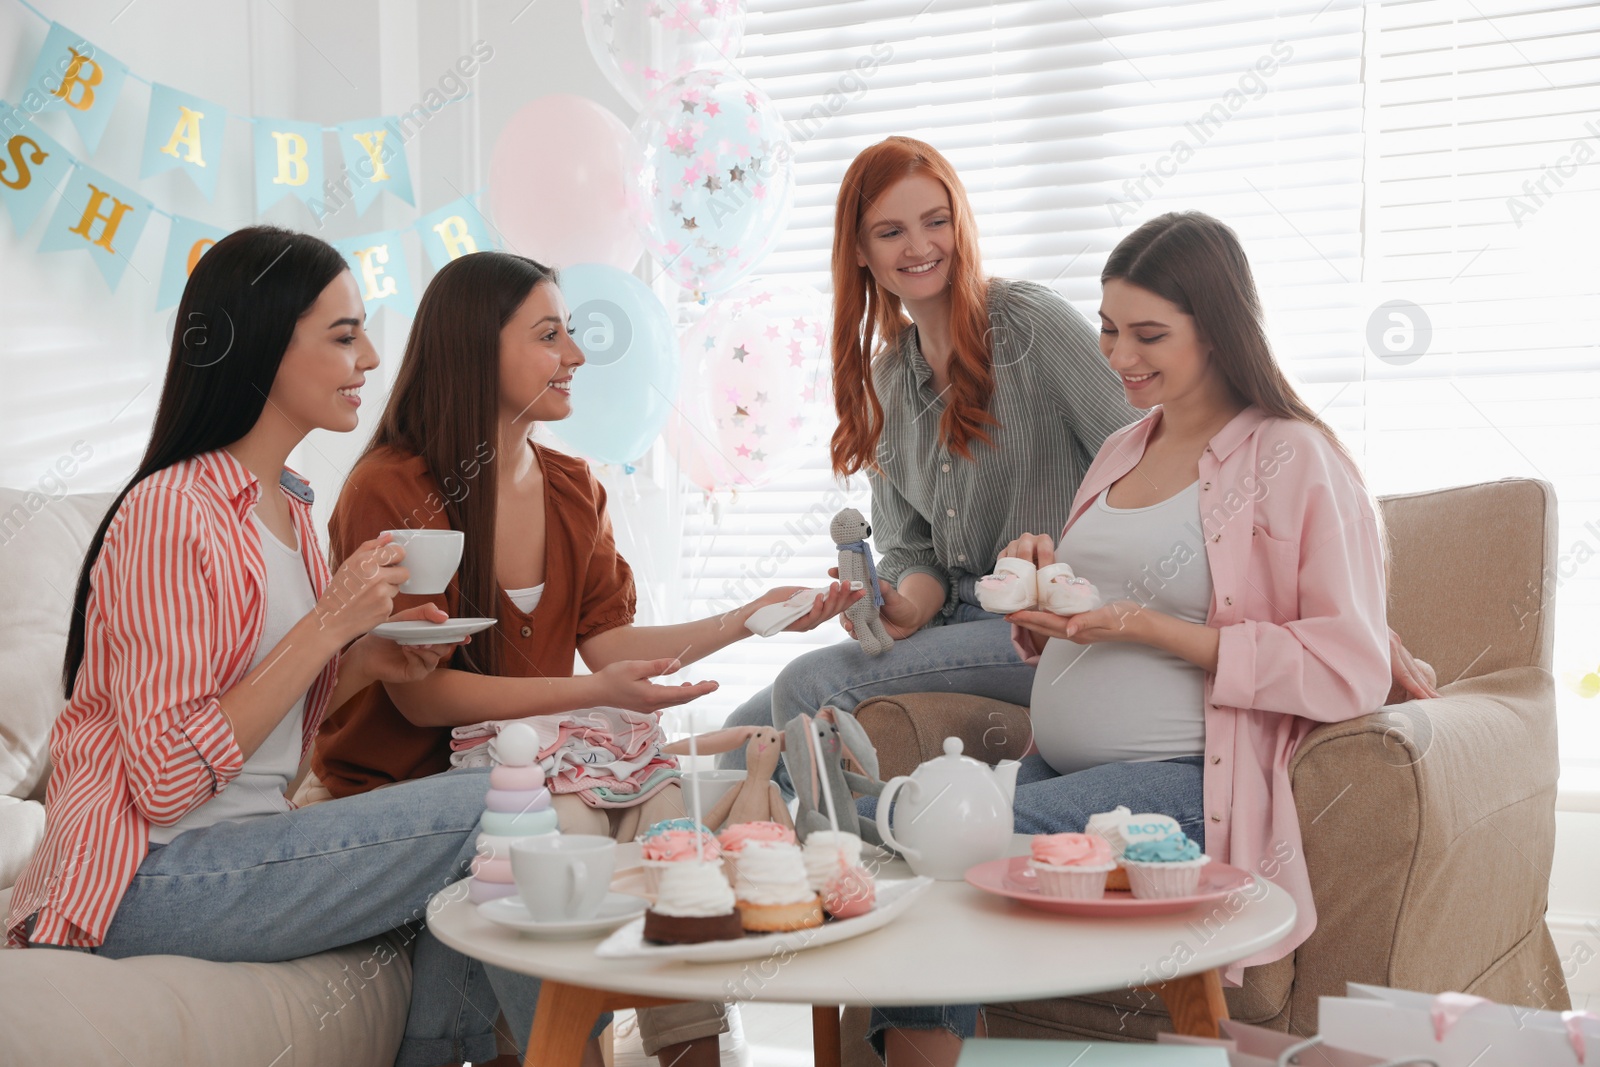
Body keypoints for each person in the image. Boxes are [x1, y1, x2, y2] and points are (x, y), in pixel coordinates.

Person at [864, 211, 1441, 1065]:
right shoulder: (1125, 448)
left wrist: (1154, 629)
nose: (1117, 354)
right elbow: (1098, 614)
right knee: (917, 850)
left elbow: (1347, 662)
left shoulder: (1293, 457)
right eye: (1106, 327)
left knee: (947, 844)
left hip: (1182, 787)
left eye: (1148, 334)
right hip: (1057, 763)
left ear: (1218, 329)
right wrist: (1042, 598)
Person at [3, 226, 566, 1067]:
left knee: (497, 817)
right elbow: (162, 781)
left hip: (237, 848)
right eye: (344, 335)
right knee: (496, 800)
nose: (372, 357)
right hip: (144, 878)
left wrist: (364, 660)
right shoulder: (169, 512)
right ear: (261, 346)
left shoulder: (292, 510)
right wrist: (329, 626)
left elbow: (257, 720)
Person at [313, 249, 841, 1066]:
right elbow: (419, 700)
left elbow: (610, 644)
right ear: (475, 350)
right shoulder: (392, 488)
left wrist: (749, 620)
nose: (578, 355)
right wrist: (593, 689)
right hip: (414, 788)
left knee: (674, 840)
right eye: (550, 334)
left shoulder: (571, 487)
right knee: (552, 843)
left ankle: (696, 1050)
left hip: (541, 765)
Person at [717, 135, 1140, 787]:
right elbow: (917, 557)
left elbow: (1148, 453)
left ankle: (846, 865)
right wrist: (902, 607)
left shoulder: (1029, 326)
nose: (919, 247)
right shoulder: (890, 379)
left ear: (959, 224)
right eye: (891, 231)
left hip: (1046, 622)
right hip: (956, 622)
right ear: (861, 252)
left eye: (935, 222)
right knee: (745, 738)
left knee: (810, 683)